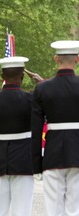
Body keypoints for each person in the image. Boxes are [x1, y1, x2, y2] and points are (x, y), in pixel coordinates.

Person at [0, 56, 38, 216]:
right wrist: (41, 83)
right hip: (25, 160)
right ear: (22, 77)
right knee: (22, 210)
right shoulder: (31, 100)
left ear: (2, 77)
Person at [32, 40, 79, 216]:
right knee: (75, 208)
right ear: (77, 59)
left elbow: (36, 130)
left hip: (53, 153)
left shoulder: (42, 89)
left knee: (54, 208)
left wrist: (36, 164)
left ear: (55, 59)